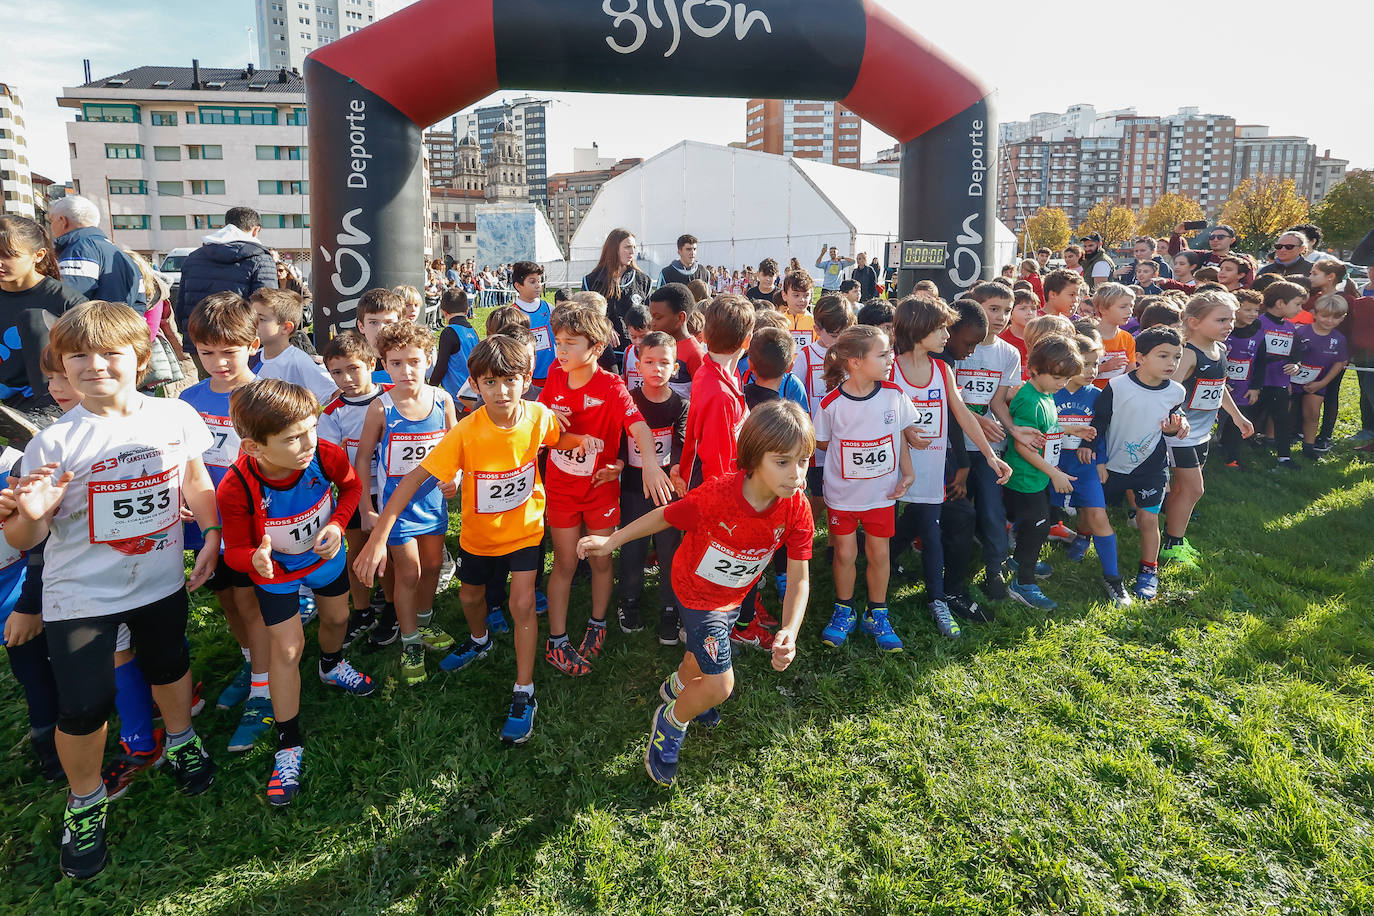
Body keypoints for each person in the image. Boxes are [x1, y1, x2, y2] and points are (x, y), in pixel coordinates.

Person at [6, 301, 219, 879]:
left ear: (142, 359)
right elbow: (28, 533)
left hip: (156, 578)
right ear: (61, 366)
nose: (94, 365)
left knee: (169, 664)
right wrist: (30, 514)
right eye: (77, 356)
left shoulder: (174, 417)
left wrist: (214, 533)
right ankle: (85, 801)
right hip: (81, 596)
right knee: (83, 703)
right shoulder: (52, 444)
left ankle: (181, 739)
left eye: (110, 353)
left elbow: (195, 479)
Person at [577, 400, 816, 788]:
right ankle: (671, 721)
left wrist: (790, 628)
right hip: (694, 593)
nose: (797, 474)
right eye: (783, 462)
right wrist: (611, 542)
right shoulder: (717, 497)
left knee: (699, 660)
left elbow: (800, 577)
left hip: (733, 599)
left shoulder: (796, 508)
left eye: (803, 460)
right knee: (721, 684)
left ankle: (679, 688)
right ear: (754, 458)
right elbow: (665, 516)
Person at [362, 335, 575, 743]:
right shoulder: (464, 432)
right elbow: (415, 477)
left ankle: (524, 690)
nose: (501, 391)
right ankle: (480, 642)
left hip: (526, 530)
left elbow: (555, 438)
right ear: (474, 385)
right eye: (489, 382)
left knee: (523, 603)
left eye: (510, 380)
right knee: (469, 598)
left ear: (527, 379)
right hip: (479, 537)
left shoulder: (538, 415)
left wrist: (579, 441)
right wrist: (379, 534)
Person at [217, 379, 373, 805]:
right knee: (287, 648)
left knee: (338, 619)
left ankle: (331, 663)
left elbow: (352, 487)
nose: (308, 443)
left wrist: (339, 523)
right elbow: (234, 552)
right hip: (276, 574)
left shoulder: (324, 453)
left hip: (326, 560)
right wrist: (253, 560)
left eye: (311, 429)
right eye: (292, 439)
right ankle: (288, 744)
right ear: (254, 449)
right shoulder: (236, 486)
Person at [538, 306, 673, 673]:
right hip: (563, 488)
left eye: (570, 343)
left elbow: (640, 428)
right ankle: (557, 640)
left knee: (601, 560)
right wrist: (555, 424)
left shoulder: (611, 387)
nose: (560, 350)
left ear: (596, 348)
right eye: (557, 341)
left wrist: (646, 462)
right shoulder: (554, 373)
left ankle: (598, 625)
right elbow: (541, 423)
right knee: (565, 562)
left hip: (600, 490)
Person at [178, 293, 281, 752]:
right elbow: (184, 462)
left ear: (252, 344)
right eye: (206, 352)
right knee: (228, 601)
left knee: (251, 602)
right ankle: (249, 662)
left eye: (229, 351)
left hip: (250, 526)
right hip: (203, 524)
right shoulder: (187, 400)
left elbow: (285, 465)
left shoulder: (266, 397)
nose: (218, 362)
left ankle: (263, 691)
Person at [890, 296, 1011, 637]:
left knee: (933, 528)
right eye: (942, 328)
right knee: (886, 532)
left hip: (930, 470)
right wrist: (902, 428)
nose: (947, 334)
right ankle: (873, 603)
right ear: (920, 330)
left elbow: (962, 416)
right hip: (891, 470)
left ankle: (941, 598)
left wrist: (989, 455)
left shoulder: (942, 369)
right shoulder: (890, 368)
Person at [353, 321, 459, 685]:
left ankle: (425, 621)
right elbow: (364, 457)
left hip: (432, 503)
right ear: (384, 363)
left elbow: (454, 450)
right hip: (396, 511)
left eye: (413, 361)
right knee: (409, 571)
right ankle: (410, 639)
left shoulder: (443, 400)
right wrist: (367, 507)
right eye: (396, 363)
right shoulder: (381, 409)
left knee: (432, 567)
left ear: (428, 360)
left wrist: (455, 478)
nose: (406, 370)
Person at [813, 325, 917, 652]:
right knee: (844, 553)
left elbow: (899, 434)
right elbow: (822, 442)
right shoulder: (831, 403)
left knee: (879, 553)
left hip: (882, 495)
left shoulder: (893, 394)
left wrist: (908, 473)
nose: (890, 359)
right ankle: (844, 610)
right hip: (843, 496)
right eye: (883, 354)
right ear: (855, 362)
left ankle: (877, 613)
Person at [1091, 326, 1189, 600]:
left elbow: (1173, 415)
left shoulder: (1177, 391)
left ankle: (1149, 570)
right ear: (1141, 358)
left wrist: (1178, 425)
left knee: (1148, 518)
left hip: (1151, 467)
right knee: (1093, 511)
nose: (1171, 363)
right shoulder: (1117, 386)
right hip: (1111, 465)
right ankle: (1082, 535)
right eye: (1163, 356)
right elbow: (1098, 423)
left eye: (1177, 357)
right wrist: (1098, 458)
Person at [1159, 291, 1253, 566]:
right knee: (1193, 490)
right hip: (1180, 435)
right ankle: (1172, 544)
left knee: (1182, 490)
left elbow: (1219, 386)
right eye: (1221, 320)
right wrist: (1175, 419)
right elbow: (1167, 393)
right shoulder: (1187, 354)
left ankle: (1174, 539)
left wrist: (1237, 416)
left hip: (1202, 433)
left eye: (1231, 319)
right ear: (1194, 322)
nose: (1229, 325)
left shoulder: (1220, 349)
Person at [953, 282, 1030, 601]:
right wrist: (977, 419)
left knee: (992, 509)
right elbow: (949, 396)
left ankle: (994, 569)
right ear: (975, 307)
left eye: (1007, 310)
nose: (1000, 317)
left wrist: (1012, 430)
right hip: (954, 443)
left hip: (989, 449)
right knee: (954, 508)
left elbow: (998, 403)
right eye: (993, 309)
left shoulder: (1009, 353)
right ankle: (943, 559)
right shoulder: (954, 344)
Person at [318, 331, 395, 645]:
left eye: (353, 368)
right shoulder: (332, 412)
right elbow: (332, 458)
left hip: (393, 490)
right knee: (357, 552)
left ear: (371, 363)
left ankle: (391, 608)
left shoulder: (394, 394)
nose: (346, 378)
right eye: (337, 372)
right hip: (353, 492)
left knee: (387, 553)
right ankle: (362, 610)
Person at [615, 330, 688, 643]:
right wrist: (617, 464)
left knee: (669, 548)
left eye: (664, 363)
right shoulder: (629, 401)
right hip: (633, 489)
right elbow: (619, 439)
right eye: (649, 361)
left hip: (667, 493)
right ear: (638, 364)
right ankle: (628, 600)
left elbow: (683, 443)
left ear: (675, 368)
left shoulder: (680, 405)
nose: (656, 368)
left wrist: (676, 470)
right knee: (632, 546)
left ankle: (669, 608)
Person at [1002, 336, 1085, 609]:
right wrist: (1055, 473)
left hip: (1037, 476)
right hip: (1025, 478)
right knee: (1037, 526)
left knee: (1035, 525)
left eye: (1066, 378)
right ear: (1035, 369)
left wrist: (1070, 429)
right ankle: (1023, 582)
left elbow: (1045, 428)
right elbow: (1023, 445)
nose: (1062, 383)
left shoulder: (1045, 394)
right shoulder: (1029, 400)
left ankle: (1018, 560)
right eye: (1057, 377)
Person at [1051, 331, 1132, 606]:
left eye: (1096, 364)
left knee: (1097, 515)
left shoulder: (1098, 394)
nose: (1091, 371)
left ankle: (1113, 579)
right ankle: (1021, 567)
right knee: (1035, 517)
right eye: (1085, 364)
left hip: (1084, 466)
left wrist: (1100, 460)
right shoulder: (1049, 391)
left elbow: (1103, 430)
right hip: (1049, 465)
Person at [0, 215, 88, 439]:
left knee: (33, 319)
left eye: (8, 255)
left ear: (37, 256)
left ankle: (48, 413)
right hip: (6, 395)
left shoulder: (65, 300)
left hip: (47, 395)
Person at [679, 295, 755, 489]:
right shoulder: (718, 393)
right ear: (747, 341)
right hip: (713, 494)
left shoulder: (728, 374)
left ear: (704, 333)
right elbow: (716, 465)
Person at [791, 294, 855, 510]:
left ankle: (833, 541)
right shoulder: (806, 356)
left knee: (842, 496)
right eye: (835, 334)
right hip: (817, 443)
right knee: (819, 496)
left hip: (846, 438)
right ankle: (802, 533)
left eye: (844, 333)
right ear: (817, 329)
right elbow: (795, 396)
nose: (840, 339)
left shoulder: (853, 355)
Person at [174, 206, 276, 331]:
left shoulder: (194, 257)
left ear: (226, 225)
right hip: (239, 338)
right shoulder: (261, 259)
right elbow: (266, 306)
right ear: (256, 230)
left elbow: (181, 304)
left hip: (199, 336)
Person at [47, 197, 145, 314]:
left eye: (51, 221)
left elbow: (66, 297)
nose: (51, 227)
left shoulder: (80, 249)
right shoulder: (122, 254)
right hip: (123, 328)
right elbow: (140, 304)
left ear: (63, 221)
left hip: (88, 329)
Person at [1252, 281, 1307, 469]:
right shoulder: (1258, 323)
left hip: (1280, 382)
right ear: (1280, 303)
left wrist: (1296, 365)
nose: (1301, 309)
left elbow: (1296, 353)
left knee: (1283, 419)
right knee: (1251, 415)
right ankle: (1233, 450)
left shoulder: (1291, 328)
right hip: (1256, 382)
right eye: (1298, 304)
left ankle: (1284, 456)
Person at [250, 288, 336, 406]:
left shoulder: (299, 361)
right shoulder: (251, 356)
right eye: (252, 318)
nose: (254, 324)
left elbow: (333, 393)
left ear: (286, 327)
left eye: (261, 319)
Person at [1289, 295, 1349, 459]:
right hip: (1291, 381)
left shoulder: (1338, 339)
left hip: (1316, 383)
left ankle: (1308, 447)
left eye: (1335, 317)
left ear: (1343, 317)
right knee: (1284, 410)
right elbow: (1287, 356)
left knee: (1313, 414)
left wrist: (1322, 382)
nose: (1329, 320)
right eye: (1325, 315)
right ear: (1315, 313)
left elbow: (1340, 362)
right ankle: (1273, 441)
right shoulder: (1300, 332)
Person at [582, 228, 652, 358]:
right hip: (602, 352)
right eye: (627, 247)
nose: (632, 252)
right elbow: (584, 316)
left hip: (636, 352)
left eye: (634, 247)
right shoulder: (591, 281)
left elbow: (650, 317)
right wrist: (605, 326)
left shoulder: (643, 281)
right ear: (614, 249)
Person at [1217, 290, 1264, 468]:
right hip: (1221, 385)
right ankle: (1218, 446)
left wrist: (1256, 387)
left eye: (1256, 310)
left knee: (1238, 420)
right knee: (1221, 418)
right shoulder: (1222, 332)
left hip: (1245, 387)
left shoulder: (1258, 332)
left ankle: (1232, 457)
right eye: (1247, 310)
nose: (1253, 314)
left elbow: (1261, 361)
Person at [647, 283, 705, 400]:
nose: (652, 323)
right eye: (651, 317)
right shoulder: (654, 344)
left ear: (680, 318)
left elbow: (701, 397)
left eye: (658, 317)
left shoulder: (695, 354)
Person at [430, 288, 479, 401]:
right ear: (467, 310)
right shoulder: (473, 331)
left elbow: (442, 364)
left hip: (456, 395)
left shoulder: (448, 332)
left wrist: (432, 386)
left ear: (444, 312)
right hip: (472, 390)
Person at [511, 261, 555, 386]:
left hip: (551, 374)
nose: (537, 285)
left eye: (539, 281)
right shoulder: (513, 313)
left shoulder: (549, 308)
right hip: (527, 378)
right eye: (532, 282)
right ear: (518, 286)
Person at [1091, 283, 1137, 388]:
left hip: (1118, 395)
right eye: (1123, 307)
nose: (1129, 311)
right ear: (1102, 309)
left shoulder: (1127, 338)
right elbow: (1076, 373)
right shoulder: (1088, 337)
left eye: (1131, 306)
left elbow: (1131, 370)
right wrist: (1102, 368)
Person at [1169, 223, 1236, 267]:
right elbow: (1177, 253)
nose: (1215, 240)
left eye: (1220, 237)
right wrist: (1176, 234)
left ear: (1232, 240)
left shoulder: (1240, 260)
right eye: (1212, 237)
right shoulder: (1202, 256)